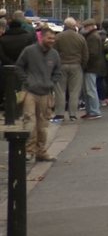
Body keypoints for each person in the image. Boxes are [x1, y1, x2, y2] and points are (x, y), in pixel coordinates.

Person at [16, 27, 61, 162]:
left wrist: (51, 83)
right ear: (41, 38)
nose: (51, 41)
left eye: (53, 38)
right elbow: (18, 67)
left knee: (43, 125)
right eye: (49, 38)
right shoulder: (29, 51)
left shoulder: (54, 54)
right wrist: (27, 80)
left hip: (46, 93)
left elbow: (58, 72)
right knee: (30, 122)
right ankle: (29, 151)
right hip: (30, 91)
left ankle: (41, 151)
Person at [52, 18, 88, 122]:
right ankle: (72, 114)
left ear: (64, 25)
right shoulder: (80, 38)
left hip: (61, 65)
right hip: (76, 65)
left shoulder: (58, 37)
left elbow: (53, 52)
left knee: (60, 91)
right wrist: (83, 65)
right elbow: (85, 54)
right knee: (74, 91)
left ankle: (59, 114)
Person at [80, 19, 104, 119]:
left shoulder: (92, 37)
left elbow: (92, 53)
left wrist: (85, 63)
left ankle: (94, 111)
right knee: (88, 90)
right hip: (91, 67)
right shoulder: (93, 36)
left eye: (86, 27)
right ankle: (90, 110)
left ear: (91, 26)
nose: (85, 29)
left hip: (90, 67)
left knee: (90, 90)